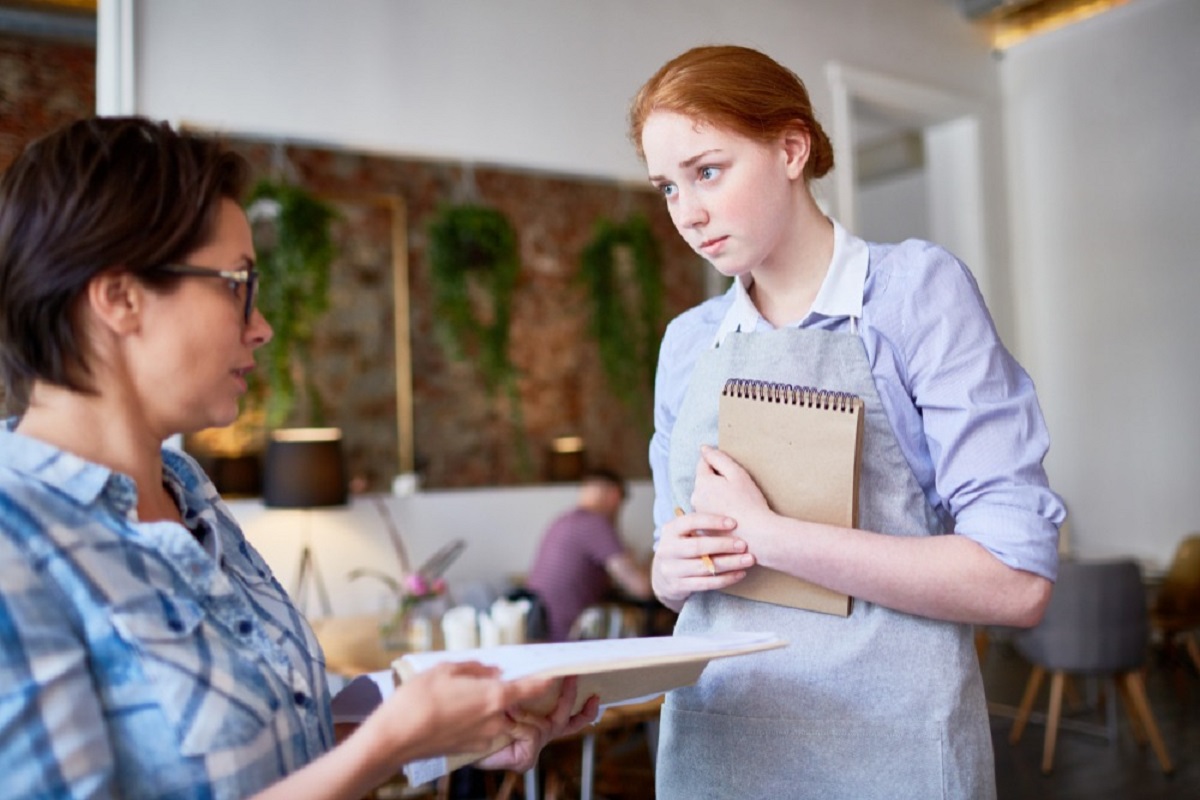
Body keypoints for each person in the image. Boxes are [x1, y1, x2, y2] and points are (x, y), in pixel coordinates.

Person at [0, 116, 598, 800]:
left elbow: (287, 730)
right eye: (236, 284)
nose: (261, 325)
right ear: (120, 296)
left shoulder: (186, 488)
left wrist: (459, 723)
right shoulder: (15, 543)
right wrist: (386, 746)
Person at [631, 45, 1065, 799]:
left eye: (708, 170)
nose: (688, 213)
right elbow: (681, 567)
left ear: (791, 148)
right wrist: (669, 574)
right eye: (668, 187)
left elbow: (1015, 579)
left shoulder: (913, 296)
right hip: (719, 747)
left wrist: (769, 536)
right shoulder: (689, 344)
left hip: (889, 750)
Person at [525, 468, 653, 641]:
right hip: (568, 636)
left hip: (540, 630)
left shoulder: (563, 521)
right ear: (615, 496)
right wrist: (655, 558)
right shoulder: (596, 524)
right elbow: (641, 587)